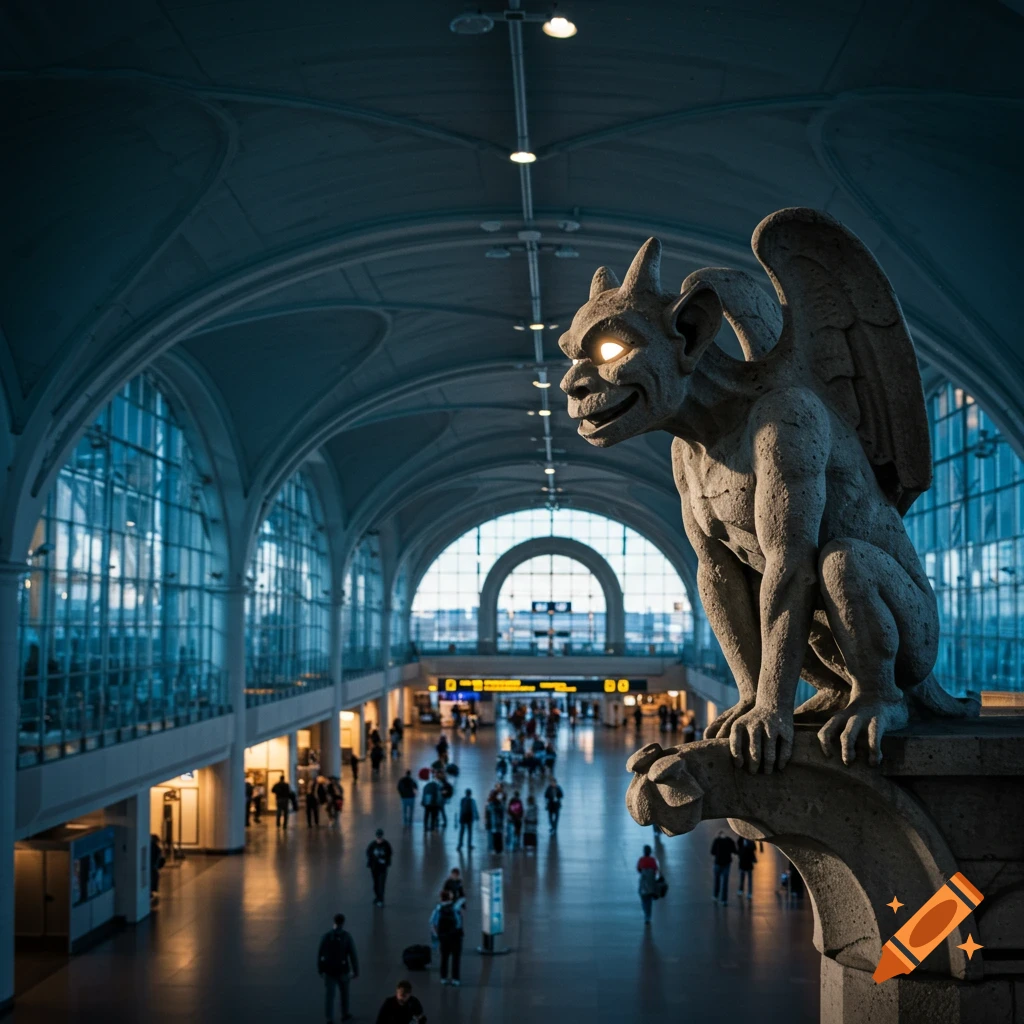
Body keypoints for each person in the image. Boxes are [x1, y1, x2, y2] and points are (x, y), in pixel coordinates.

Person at [318, 912, 359, 1023]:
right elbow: (353, 955)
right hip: (343, 971)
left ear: (334, 921)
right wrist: (355, 971)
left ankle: (329, 1018)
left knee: (329, 996)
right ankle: (344, 1014)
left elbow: (320, 953)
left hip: (329, 971)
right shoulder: (346, 937)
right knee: (344, 994)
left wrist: (320, 969)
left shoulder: (326, 936)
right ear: (343, 923)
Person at [430, 889, 466, 986]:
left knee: (444, 958)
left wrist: (437, 936)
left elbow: (433, 923)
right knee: (456, 958)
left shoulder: (438, 909)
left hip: (444, 937)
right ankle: (455, 979)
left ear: (441, 898)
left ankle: (443, 977)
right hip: (456, 937)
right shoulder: (456, 908)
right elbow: (460, 921)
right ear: (450, 898)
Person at [366, 828, 393, 907]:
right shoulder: (372, 844)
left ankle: (381, 899)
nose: (379, 839)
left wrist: (386, 862)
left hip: (382, 868)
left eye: (380, 837)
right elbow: (368, 853)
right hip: (374, 868)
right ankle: (377, 897)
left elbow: (389, 854)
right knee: (376, 884)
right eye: (378, 837)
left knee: (381, 884)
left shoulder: (386, 844)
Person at [711, 829, 738, 905]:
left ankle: (716, 896)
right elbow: (735, 851)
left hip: (718, 863)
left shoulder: (717, 840)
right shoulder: (729, 840)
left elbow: (712, 852)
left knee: (717, 881)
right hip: (726, 864)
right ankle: (724, 900)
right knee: (724, 882)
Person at [637, 844, 660, 924]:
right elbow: (656, 870)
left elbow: (639, 869)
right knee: (649, 901)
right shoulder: (653, 860)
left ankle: (646, 913)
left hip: (643, 882)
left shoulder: (641, 860)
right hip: (651, 883)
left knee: (643, 899)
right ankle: (648, 916)